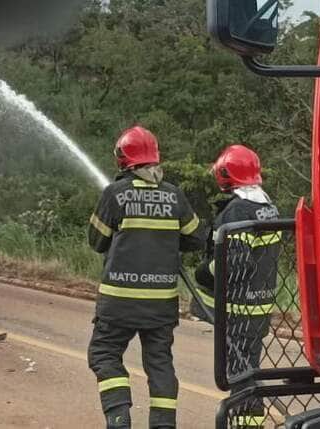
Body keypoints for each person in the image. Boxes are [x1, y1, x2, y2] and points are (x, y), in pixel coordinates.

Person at [87, 126, 205, 429]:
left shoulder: (115, 194)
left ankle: (118, 418)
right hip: (160, 306)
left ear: (123, 160)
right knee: (160, 365)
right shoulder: (174, 195)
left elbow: (97, 241)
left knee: (104, 353)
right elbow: (196, 238)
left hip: (118, 304)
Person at [193, 144, 281, 429]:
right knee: (248, 370)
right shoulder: (268, 208)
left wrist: (203, 273)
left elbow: (234, 264)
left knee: (241, 376)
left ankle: (247, 425)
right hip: (260, 305)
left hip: (239, 308)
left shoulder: (237, 210)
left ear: (226, 174)